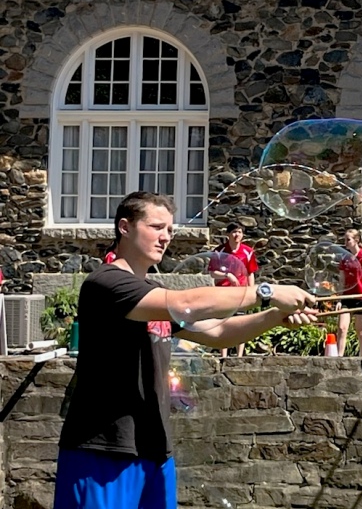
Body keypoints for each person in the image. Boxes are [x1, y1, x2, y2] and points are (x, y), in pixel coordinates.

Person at [54, 191, 317, 509]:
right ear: (125, 227)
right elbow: (186, 304)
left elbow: (219, 332)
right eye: (156, 227)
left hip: (153, 450)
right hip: (102, 451)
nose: (165, 237)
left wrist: (275, 316)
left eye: (170, 230)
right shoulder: (105, 283)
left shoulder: (154, 292)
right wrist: (267, 292)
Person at [214, 221, 260, 358]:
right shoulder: (219, 251)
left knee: (242, 325)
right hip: (224, 292)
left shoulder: (248, 252)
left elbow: (251, 273)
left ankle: (239, 356)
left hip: (242, 293)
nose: (236, 235)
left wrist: (252, 291)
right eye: (234, 232)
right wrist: (227, 275)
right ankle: (223, 355)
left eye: (239, 232)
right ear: (228, 234)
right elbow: (212, 273)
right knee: (224, 323)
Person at [336, 229, 362, 356]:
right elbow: (341, 280)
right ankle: (338, 358)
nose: (346, 243)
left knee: (360, 330)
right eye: (345, 240)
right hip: (347, 297)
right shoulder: (345, 258)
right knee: (342, 328)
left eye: (348, 240)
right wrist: (339, 299)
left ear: (356, 240)